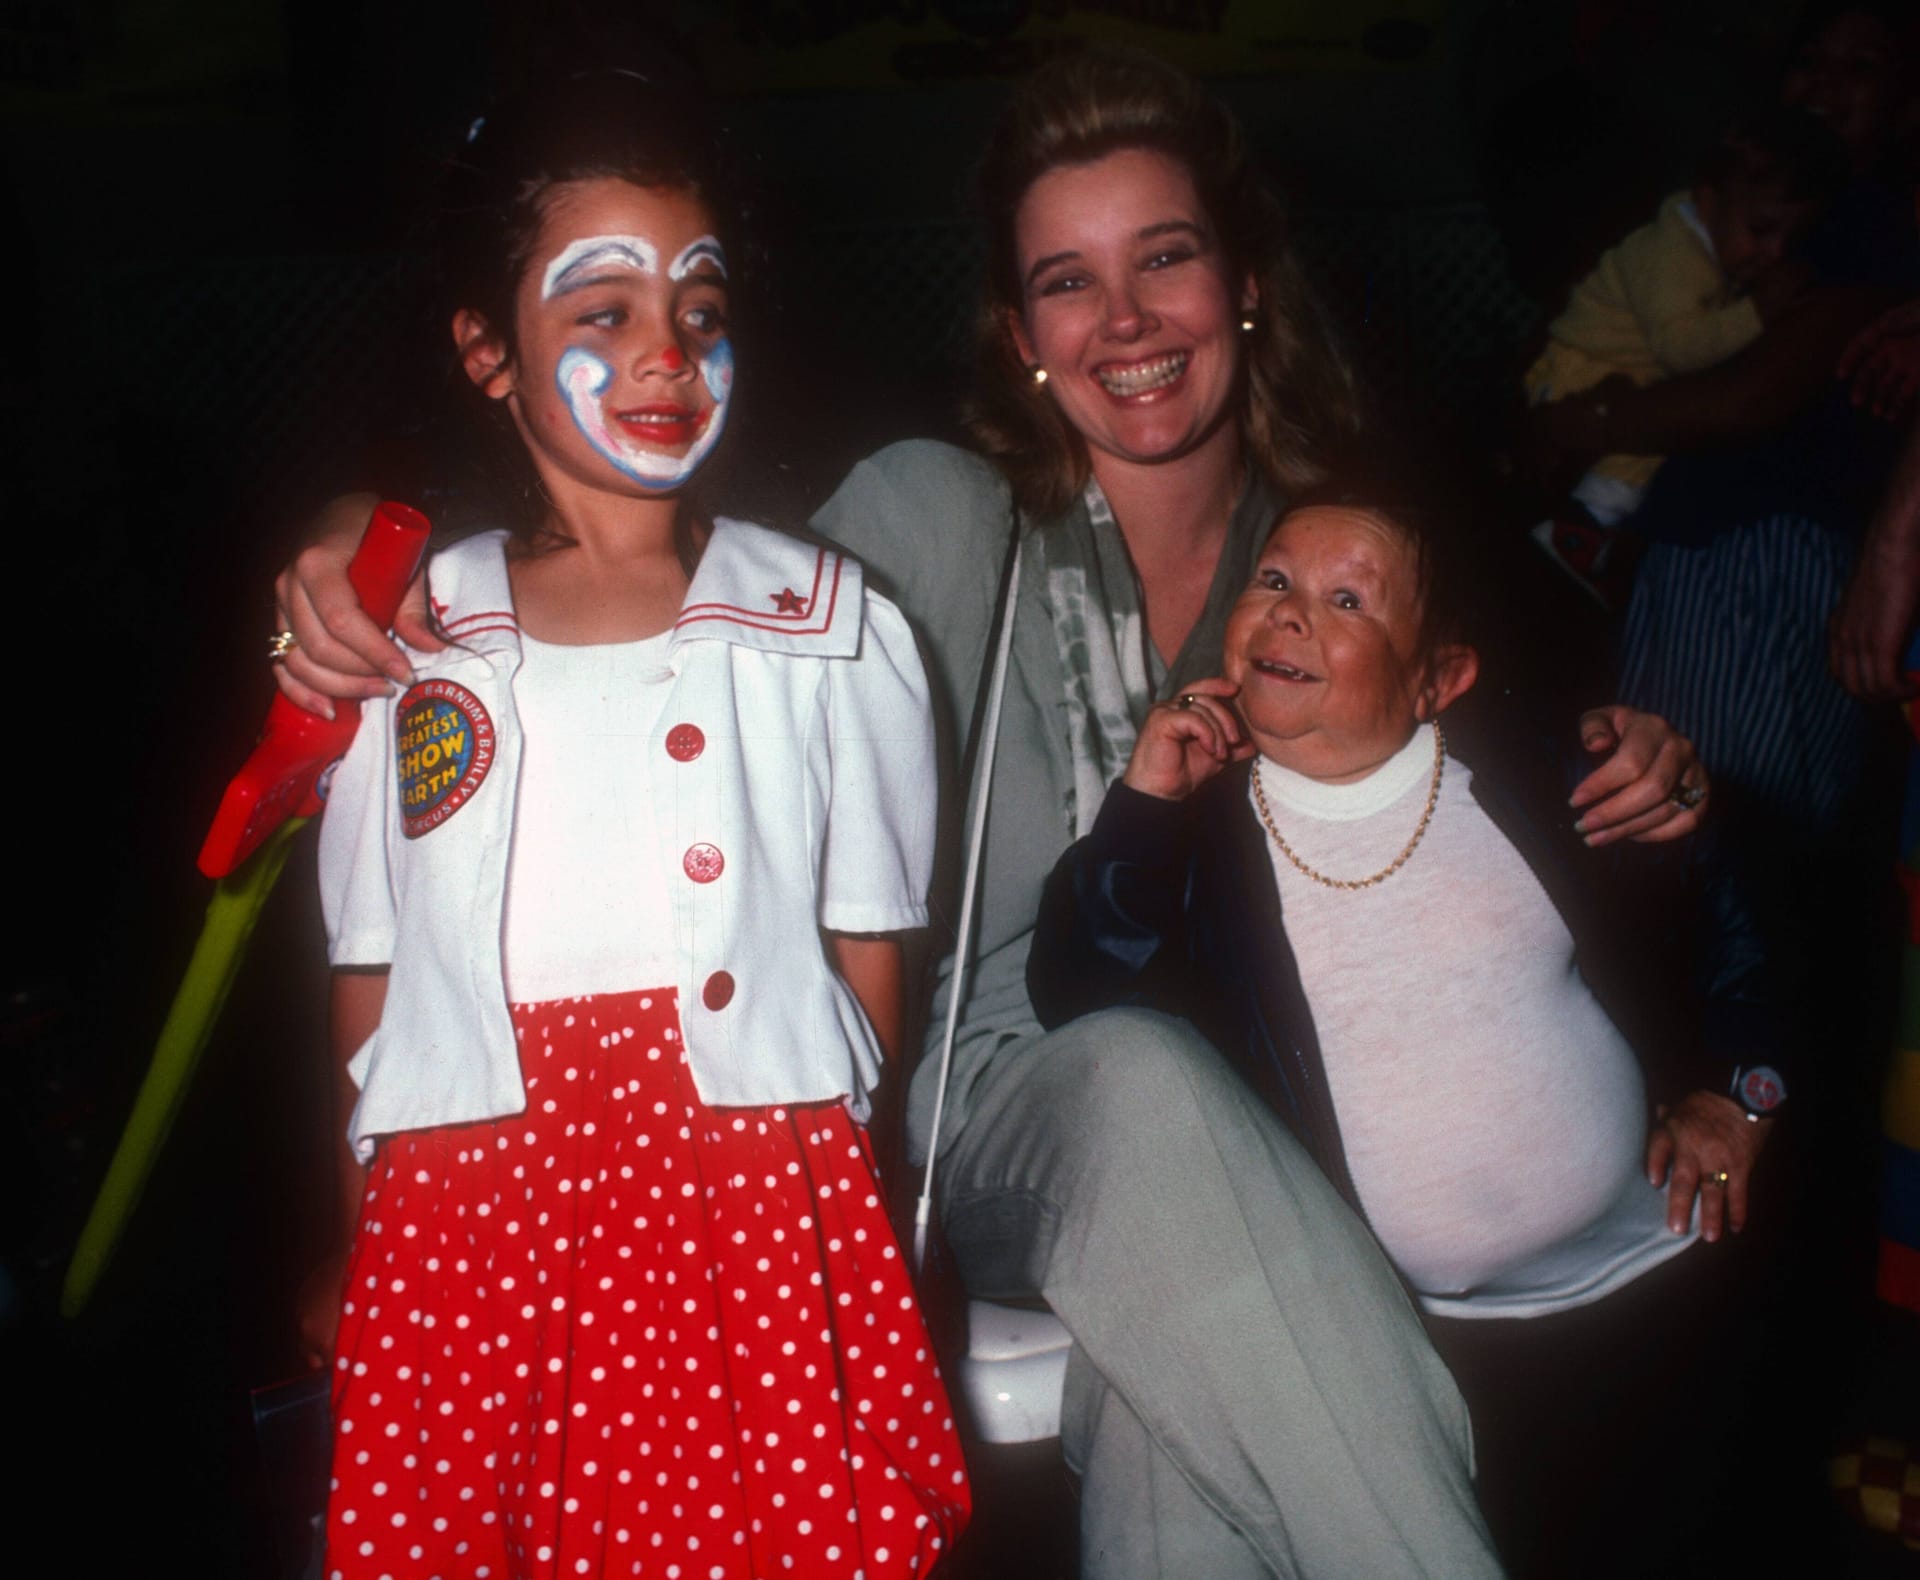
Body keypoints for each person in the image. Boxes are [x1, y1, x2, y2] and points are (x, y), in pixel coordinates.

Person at [272, 50, 1709, 1580]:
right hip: (951, 1119)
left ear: (1243, 289)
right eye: (1068, 283)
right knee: (1140, 1091)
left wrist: (1661, 799)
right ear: (1024, 336)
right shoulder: (927, 523)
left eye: (1165, 258)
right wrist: (367, 526)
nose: (1129, 320)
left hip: (1240, 1149)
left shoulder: (1334, 570)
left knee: (1174, 1369)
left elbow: (1501, 839)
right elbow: (640, 592)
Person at [297, 72, 968, 1579]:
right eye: (598, 311)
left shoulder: (827, 624)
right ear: (487, 349)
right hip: (471, 1215)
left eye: (701, 308)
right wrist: (360, 1242)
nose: (666, 352)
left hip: (749, 1201)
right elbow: (375, 983)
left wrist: (825, 1218)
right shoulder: (410, 641)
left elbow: (869, 967)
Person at [1025, 486, 1783, 1574]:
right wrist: (1140, 809)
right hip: (1433, 1351)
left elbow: (1732, 916)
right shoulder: (1197, 837)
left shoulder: (1540, 783)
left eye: (1348, 600)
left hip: (1666, 1281)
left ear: (1439, 679)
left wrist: (1741, 1082)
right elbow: (1076, 993)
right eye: (1275, 579)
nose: (1291, 613)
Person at [1523, 104, 1848, 602]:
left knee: (1648, 457)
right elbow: (1683, 350)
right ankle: (1581, 532)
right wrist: (1759, 313)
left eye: (1791, 238)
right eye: (1761, 230)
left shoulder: (1714, 243)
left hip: (1622, 379)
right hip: (1582, 373)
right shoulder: (1673, 251)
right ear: (1707, 199)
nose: (1776, 253)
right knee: (1647, 447)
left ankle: (1586, 537)